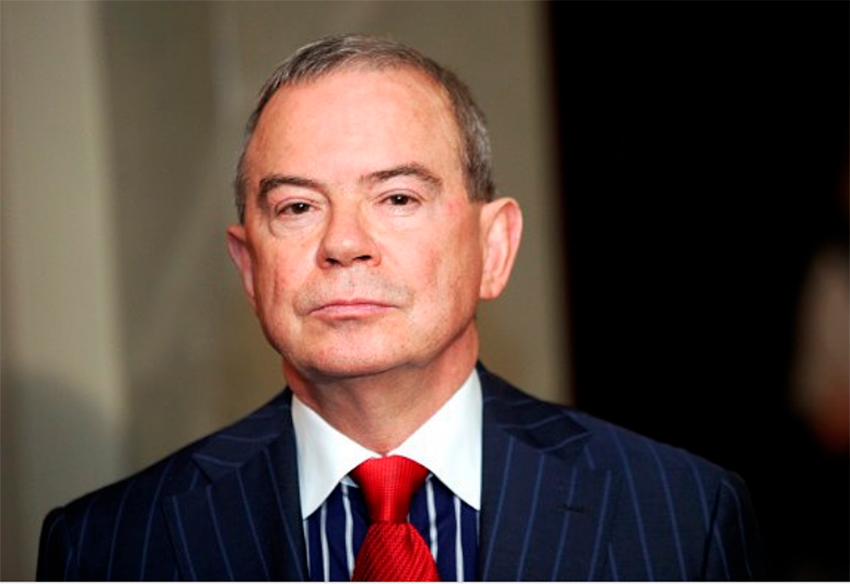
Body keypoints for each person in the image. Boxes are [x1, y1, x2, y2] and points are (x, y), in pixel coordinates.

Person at [37, 34, 764, 581]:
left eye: (397, 198)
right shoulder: (108, 548)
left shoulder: (678, 516)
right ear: (250, 267)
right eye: (297, 207)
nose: (344, 243)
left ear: (494, 248)